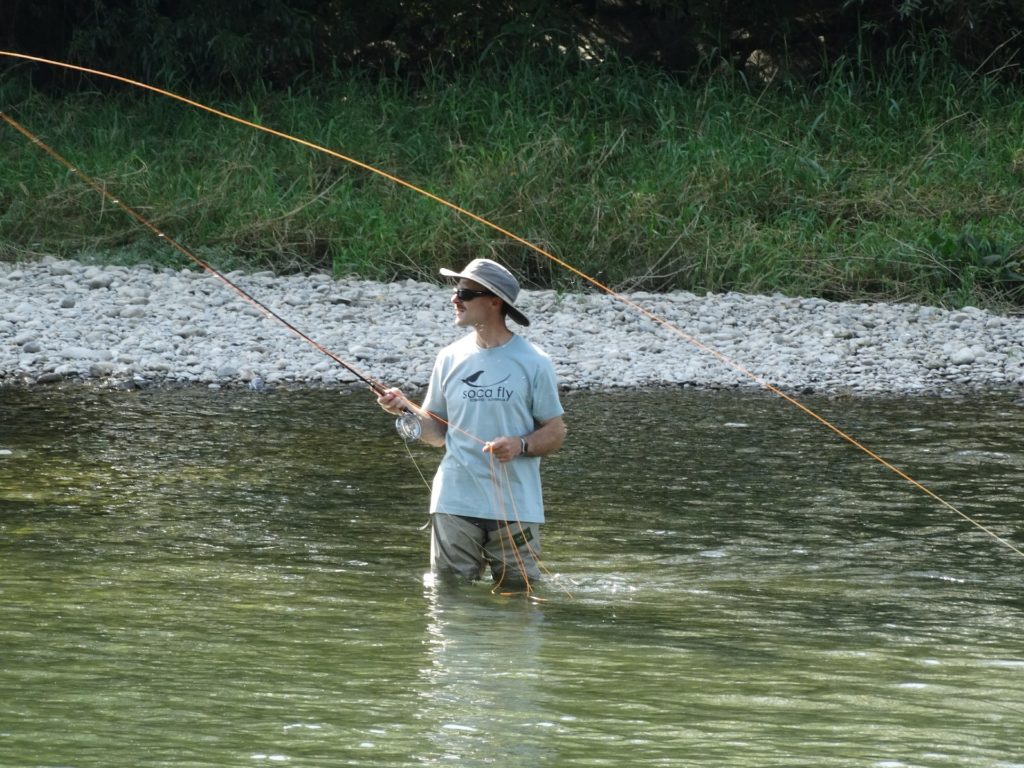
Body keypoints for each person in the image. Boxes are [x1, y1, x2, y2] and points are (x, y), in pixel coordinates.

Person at [377, 258, 566, 591]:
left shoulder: (535, 361)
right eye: (455, 291)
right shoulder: (449, 357)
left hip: (516, 507)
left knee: (519, 600)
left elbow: (556, 430)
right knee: (448, 599)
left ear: (494, 301)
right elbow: (437, 434)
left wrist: (521, 445)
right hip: (454, 502)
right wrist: (405, 408)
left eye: (465, 292)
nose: (455, 299)